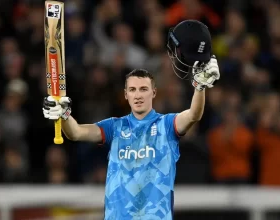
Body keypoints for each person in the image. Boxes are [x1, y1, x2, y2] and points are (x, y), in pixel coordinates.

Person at [43, 20, 220, 220]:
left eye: (143, 89)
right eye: (133, 90)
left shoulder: (166, 125)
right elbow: (75, 132)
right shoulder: (114, 127)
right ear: (125, 94)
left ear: (154, 93)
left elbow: (194, 114)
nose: (138, 95)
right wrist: (63, 114)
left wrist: (200, 87)